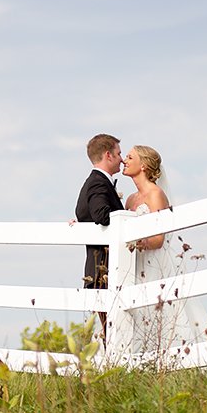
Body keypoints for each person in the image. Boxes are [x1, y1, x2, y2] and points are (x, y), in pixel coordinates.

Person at [122, 144, 207, 359]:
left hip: (153, 262)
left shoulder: (155, 195)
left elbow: (158, 239)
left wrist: (135, 243)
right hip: (133, 264)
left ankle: (173, 359)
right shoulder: (130, 199)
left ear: (143, 165)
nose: (124, 160)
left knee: (158, 311)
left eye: (129, 156)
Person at [75, 134, 124, 335]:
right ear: (108, 155)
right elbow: (101, 214)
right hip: (104, 270)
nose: (122, 158)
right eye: (119, 153)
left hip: (100, 271)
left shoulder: (94, 181)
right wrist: (129, 218)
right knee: (113, 334)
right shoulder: (98, 183)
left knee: (113, 334)